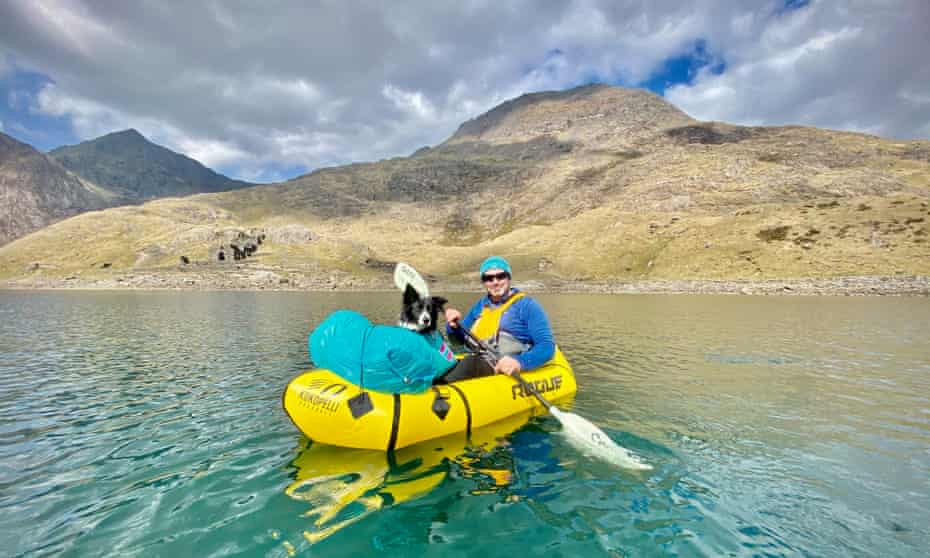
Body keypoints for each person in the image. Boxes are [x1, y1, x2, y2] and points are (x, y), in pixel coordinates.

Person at [437, 256, 556, 383]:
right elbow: (457, 342)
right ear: (484, 282)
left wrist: (519, 362)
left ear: (509, 277)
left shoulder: (527, 306)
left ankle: (437, 393)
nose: (495, 282)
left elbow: (546, 346)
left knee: (472, 363)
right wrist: (453, 327)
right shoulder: (480, 306)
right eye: (489, 278)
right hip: (478, 362)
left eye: (500, 276)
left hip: (499, 367)